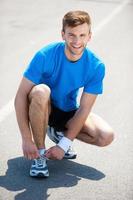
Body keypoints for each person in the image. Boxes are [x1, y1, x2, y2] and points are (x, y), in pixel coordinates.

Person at [15, 10, 114, 178]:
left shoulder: (96, 66)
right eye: (71, 35)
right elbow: (20, 97)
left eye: (82, 35)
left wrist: (64, 144)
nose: (77, 41)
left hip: (68, 110)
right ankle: (40, 155)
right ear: (63, 34)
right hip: (42, 106)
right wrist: (26, 138)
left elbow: (84, 109)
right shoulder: (45, 55)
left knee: (106, 136)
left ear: (89, 36)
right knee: (41, 90)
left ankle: (59, 135)